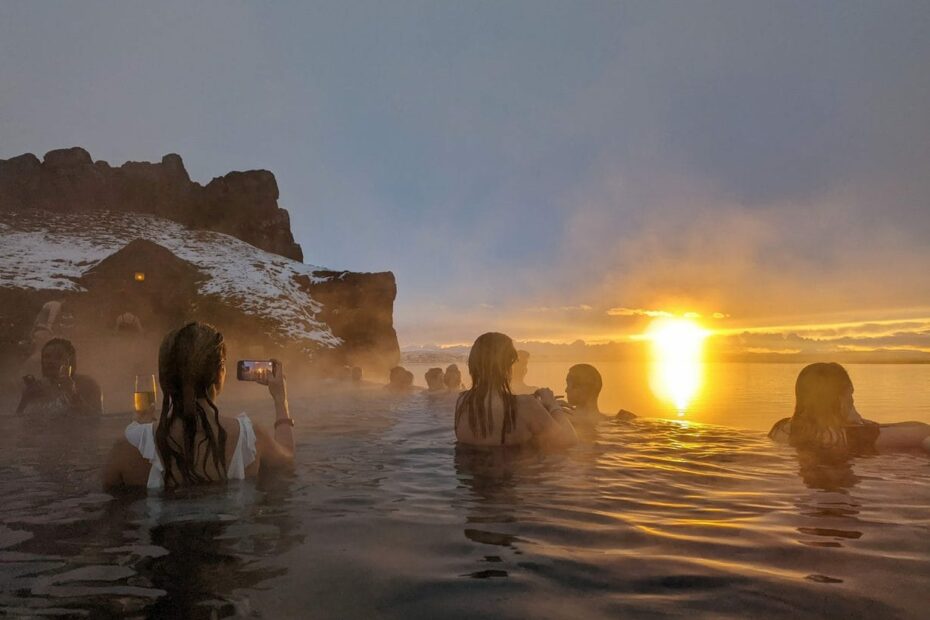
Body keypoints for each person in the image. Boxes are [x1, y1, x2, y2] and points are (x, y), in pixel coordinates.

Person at [102, 322, 295, 491]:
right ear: (220, 374)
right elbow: (287, 459)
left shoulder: (128, 448)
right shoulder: (251, 439)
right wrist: (281, 400)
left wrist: (140, 432)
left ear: (164, 378)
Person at [769, 362, 930, 454]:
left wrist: (861, 423)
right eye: (850, 395)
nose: (852, 400)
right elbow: (922, 432)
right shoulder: (850, 437)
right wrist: (860, 423)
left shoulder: (780, 428)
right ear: (839, 400)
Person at [454, 332, 576, 449]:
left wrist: (539, 408)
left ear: (473, 365)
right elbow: (569, 441)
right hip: (512, 469)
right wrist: (553, 406)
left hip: (469, 470)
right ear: (508, 365)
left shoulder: (462, 402)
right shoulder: (526, 405)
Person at [16, 338, 102, 416]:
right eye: (47, 357)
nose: (50, 361)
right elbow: (18, 423)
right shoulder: (38, 387)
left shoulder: (87, 384)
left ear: (71, 361)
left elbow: (98, 420)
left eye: (58, 357)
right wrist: (25, 399)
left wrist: (72, 393)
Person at [564, 363, 636, 426]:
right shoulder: (621, 420)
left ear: (582, 388)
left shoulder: (565, 419)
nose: (566, 390)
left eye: (568, 385)